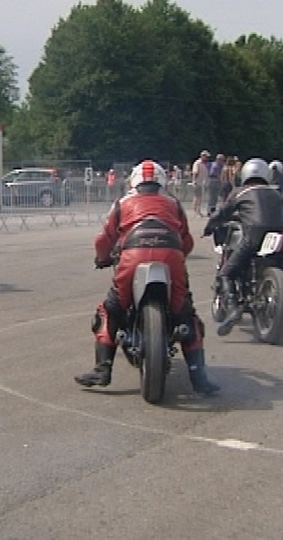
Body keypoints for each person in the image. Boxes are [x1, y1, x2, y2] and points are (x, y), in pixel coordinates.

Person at [74, 160, 219, 395]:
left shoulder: (122, 203)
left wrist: (101, 259)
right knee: (185, 312)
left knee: (110, 309)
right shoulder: (173, 203)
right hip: (171, 254)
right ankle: (198, 377)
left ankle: (102, 369)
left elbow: (103, 239)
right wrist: (179, 256)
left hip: (133, 254)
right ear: (161, 181)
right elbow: (187, 240)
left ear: (134, 181)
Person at [203, 158, 283, 335]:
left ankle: (233, 309)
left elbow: (222, 213)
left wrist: (209, 226)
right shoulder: (276, 192)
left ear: (246, 174)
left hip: (254, 234)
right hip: (281, 232)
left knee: (227, 272)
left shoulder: (240, 192)